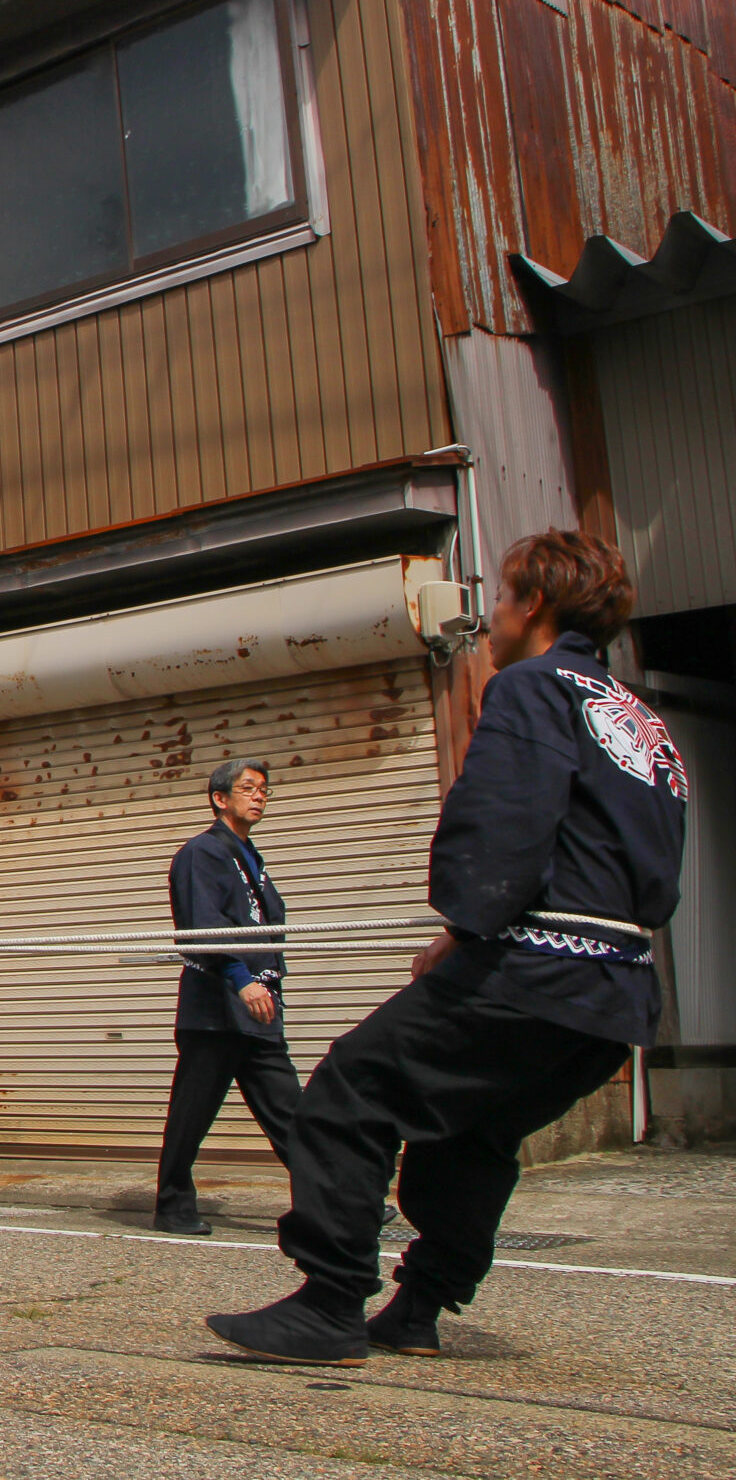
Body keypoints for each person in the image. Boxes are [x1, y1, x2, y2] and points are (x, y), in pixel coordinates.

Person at [208, 531, 689, 1367]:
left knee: (351, 1088)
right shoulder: (637, 715)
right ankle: (419, 1307)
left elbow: (506, 817)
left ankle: (328, 1299)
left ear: (533, 603)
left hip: (535, 966)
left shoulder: (532, 687)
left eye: (501, 596)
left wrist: (466, 923)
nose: (492, 614)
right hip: (617, 990)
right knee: (469, 1134)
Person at [153, 759, 300, 1236]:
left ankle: (333, 1197)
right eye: (248, 788)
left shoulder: (249, 857)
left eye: (265, 789)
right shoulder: (203, 853)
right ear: (220, 798)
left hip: (258, 1008)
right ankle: (172, 1205)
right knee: (191, 1114)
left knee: (290, 1113)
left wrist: (266, 981)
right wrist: (242, 978)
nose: (259, 796)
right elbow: (202, 926)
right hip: (216, 1007)